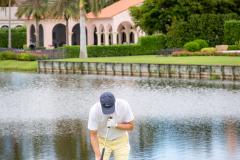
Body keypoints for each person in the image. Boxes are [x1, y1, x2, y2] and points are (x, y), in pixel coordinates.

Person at [88, 92, 134, 160]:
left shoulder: (124, 105)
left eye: (110, 108)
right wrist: (98, 156)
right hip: (102, 141)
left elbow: (131, 126)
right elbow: (93, 134)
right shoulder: (94, 110)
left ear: (115, 100)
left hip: (121, 140)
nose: (109, 111)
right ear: (100, 102)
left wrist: (115, 124)